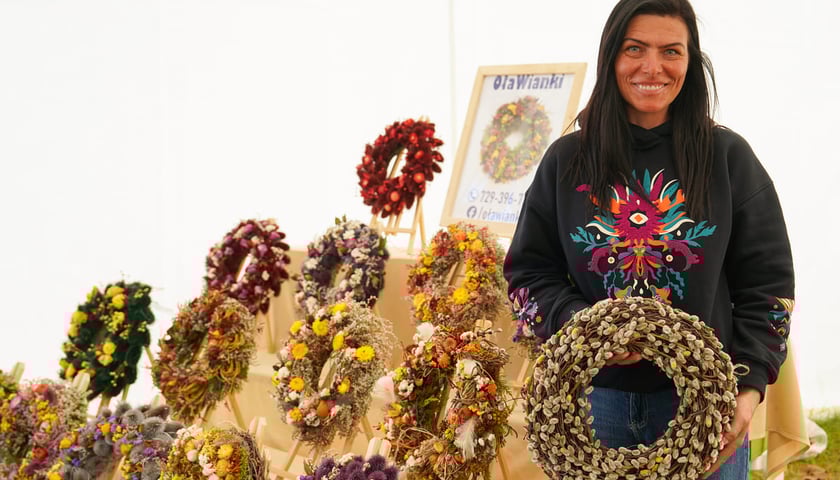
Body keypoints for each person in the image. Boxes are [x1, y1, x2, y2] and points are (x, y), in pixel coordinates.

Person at [504, 0, 794, 478]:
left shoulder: (728, 158)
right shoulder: (566, 161)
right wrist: (586, 327)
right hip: (593, 405)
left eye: (671, 51)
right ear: (611, 57)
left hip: (707, 406)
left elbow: (769, 285)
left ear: (691, 61)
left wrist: (747, 388)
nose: (652, 67)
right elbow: (527, 273)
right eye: (634, 48)